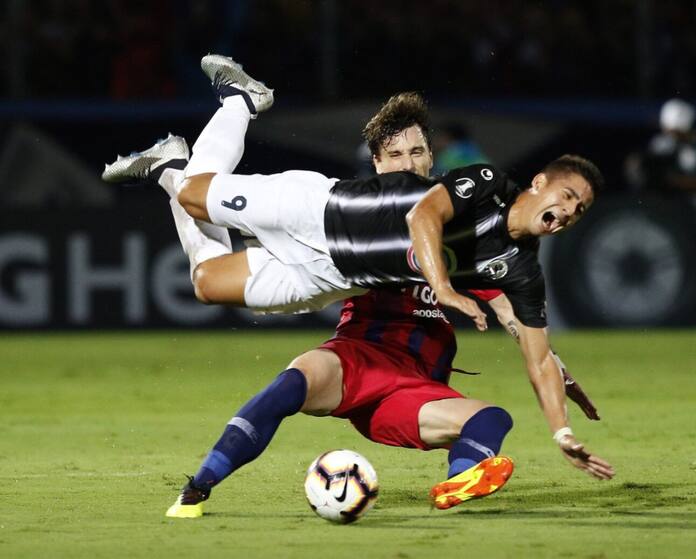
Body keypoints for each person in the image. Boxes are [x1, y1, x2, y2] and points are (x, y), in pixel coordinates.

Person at [103, 55, 614, 517]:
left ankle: (461, 482)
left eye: (419, 152)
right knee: (197, 209)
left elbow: (516, 321)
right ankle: (238, 105)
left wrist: (559, 400)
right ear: (376, 164)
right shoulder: (449, 203)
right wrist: (444, 286)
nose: (410, 163)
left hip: (339, 290)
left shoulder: (484, 249)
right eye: (397, 154)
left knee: (207, 281)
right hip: (318, 218)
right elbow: (424, 218)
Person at [625, 98, 696, 195]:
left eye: (679, 133)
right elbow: (647, 178)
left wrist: (683, 182)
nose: (674, 137)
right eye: (671, 132)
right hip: (668, 201)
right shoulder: (660, 145)